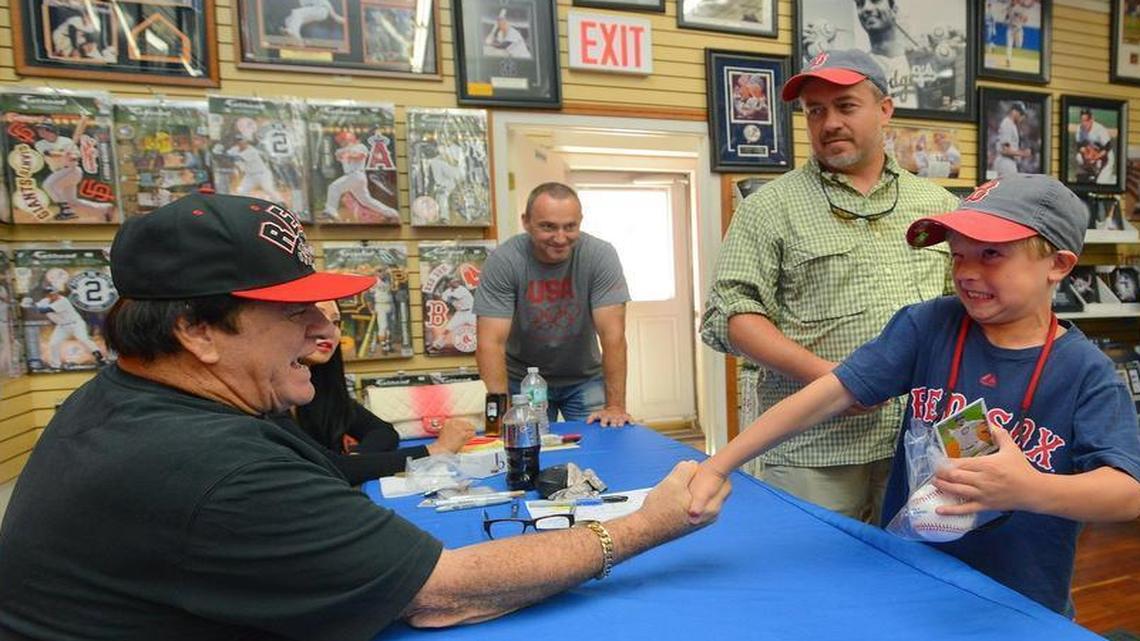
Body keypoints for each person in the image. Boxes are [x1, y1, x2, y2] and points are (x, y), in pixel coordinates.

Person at [0, 192, 728, 639]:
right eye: (296, 312)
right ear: (197, 331)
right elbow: (442, 593)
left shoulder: (120, 398)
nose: (326, 330)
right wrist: (647, 525)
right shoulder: (210, 464)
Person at [691, 173, 1140, 615]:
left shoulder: (1086, 372)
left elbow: (1127, 492)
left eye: (990, 254)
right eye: (957, 255)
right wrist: (717, 465)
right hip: (911, 584)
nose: (967, 272)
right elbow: (829, 394)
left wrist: (1028, 489)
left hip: (1018, 604)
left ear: (1058, 265)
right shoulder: (929, 325)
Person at [700, 49, 960, 521]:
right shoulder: (769, 208)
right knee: (812, 568)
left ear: (885, 109)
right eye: (815, 111)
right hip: (812, 451)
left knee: (914, 564)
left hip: (917, 444)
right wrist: (835, 382)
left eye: (845, 106)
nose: (830, 123)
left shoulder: (937, 205)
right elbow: (730, 316)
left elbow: (961, 312)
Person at [475, 183, 632, 427]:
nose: (560, 238)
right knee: (524, 443)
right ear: (526, 222)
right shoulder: (505, 261)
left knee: (605, 439)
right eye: (548, 227)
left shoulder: (600, 256)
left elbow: (613, 336)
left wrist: (615, 407)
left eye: (570, 227)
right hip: (523, 380)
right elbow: (490, 342)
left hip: (585, 378)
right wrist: (502, 414)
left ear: (580, 221)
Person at [286, 301, 474, 484]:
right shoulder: (272, 405)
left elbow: (383, 432)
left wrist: (357, 459)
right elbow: (332, 467)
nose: (330, 330)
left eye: (335, 322)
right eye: (318, 317)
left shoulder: (323, 390)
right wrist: (434, 450)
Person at [33, 121, 113, 222]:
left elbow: (77, 157)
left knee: (48, 185)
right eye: (39, 129)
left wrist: (72, 157)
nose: (40, 131)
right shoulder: (40, 143)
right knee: (72, 201)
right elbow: (48, 153)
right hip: (59, 172)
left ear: (51, 130)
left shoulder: (66, 141)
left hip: (71, 170)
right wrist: (62, 154)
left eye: (42, 129)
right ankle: (105, 208)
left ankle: (66, 211)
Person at [322, 130, 399, 223]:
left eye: (343, 140)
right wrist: (347, 151)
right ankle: (392, 213)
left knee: (334, 187)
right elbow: (338, 155)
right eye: (341, 141)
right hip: (352, 177)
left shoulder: (360, 147)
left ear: (350, 139)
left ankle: (330, 212)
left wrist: (350, 154)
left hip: (356, 175)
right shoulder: (343, 149)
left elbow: (360, 156)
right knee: (366, 201)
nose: (341, 143)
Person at [23, 286, 105, 370]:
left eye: (55, 293)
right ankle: (55, 365)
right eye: (51, 294)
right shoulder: (45, 301)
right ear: (47, 295)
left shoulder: (63, 301)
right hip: (62, 326)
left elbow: (44, 310)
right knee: (53, 344)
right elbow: (36, 307)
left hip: (76, 324)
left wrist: (30, 304)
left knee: (84, 339)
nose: (54, 295)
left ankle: (100, 358)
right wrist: (27, 304)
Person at [227, 135, 282, 202]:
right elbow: (227, 154)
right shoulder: (235, 149)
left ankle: (279, 202)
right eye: (238, 141)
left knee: (268, 189)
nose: (241, 143)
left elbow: (238, 158)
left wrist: (227, 157)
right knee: (241, 192)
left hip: (262, 174)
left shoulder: (252, 151)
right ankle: (244, 205)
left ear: (246, 142)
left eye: (242, 141)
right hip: (249, 176)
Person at [1074, 109, 1116, 185]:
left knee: (1101, 183)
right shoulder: (1079, 129)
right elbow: (1080, 147)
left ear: (1091, 120)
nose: (1084, 123)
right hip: (1093, 158)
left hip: (1106, 159)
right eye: (1082, 121)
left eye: (1086, 121)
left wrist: (1094, 158)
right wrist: (1086, 158)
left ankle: (1112, 179)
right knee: (1079, 157)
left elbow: (1108, 147)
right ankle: (1093, 174)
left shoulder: (1100, 129)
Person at [993, 101, 1031, 178]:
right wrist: (1023, 153)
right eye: (1021, 114)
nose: (1022, 117)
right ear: (1014, 111)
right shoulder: (1007, 124)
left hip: (1009, 162)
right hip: (1005, 162)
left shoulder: (1011, 124)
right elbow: (1005, 150)